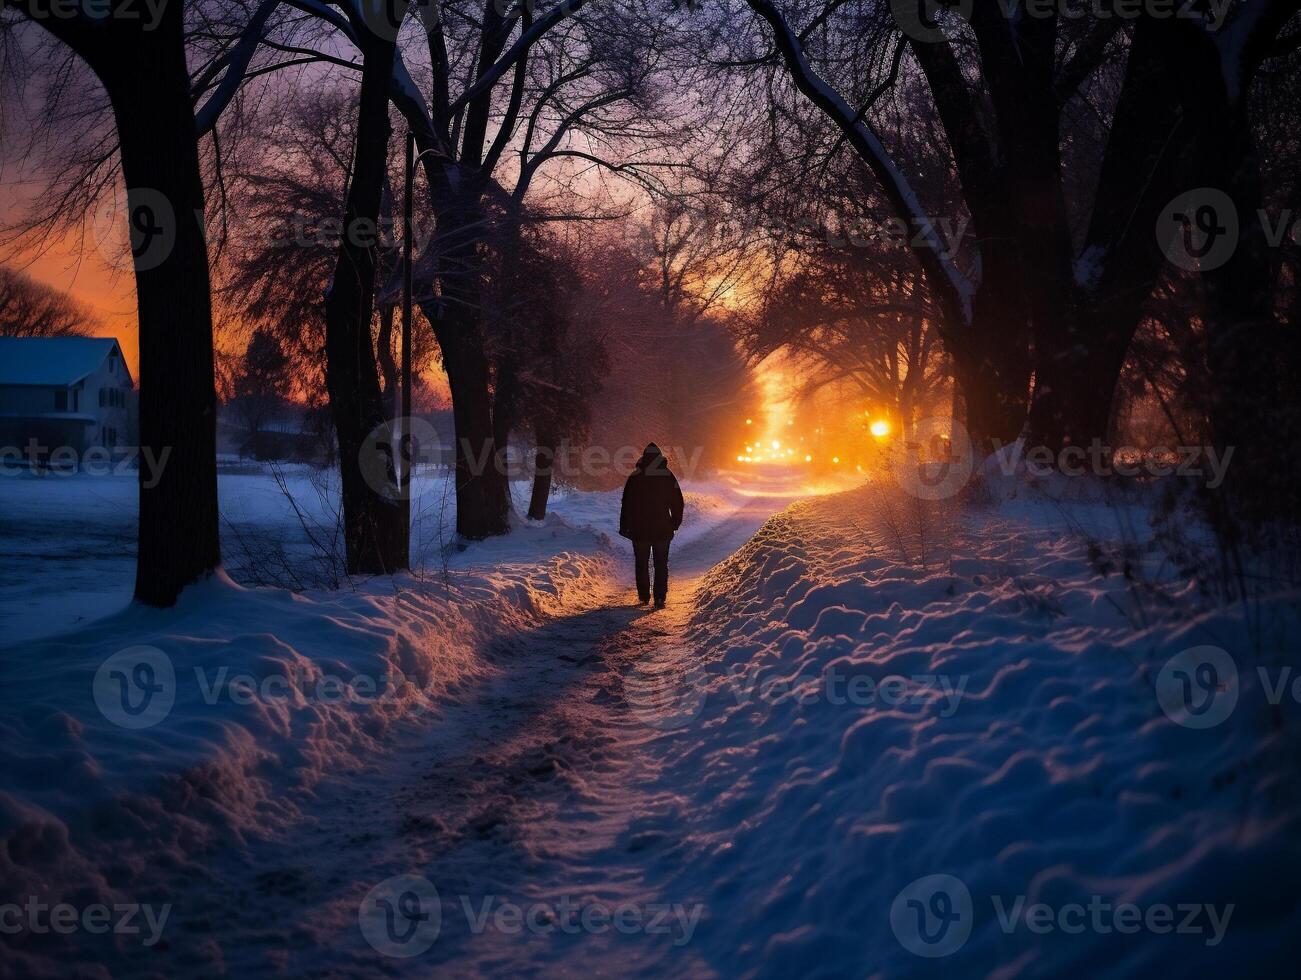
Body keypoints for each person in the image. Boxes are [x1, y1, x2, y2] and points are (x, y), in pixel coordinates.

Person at [619, 443, 685, 607]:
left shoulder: (635, 476)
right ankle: (660, 597)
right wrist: (675, 523)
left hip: (639, 529)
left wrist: (625, 526)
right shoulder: (668, 476)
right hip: (662, 528)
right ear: (659, 458)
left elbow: (626, 504)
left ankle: (643, 596)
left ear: (644, 457)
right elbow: (678, 502)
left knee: (641, 562)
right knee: (661, 563)